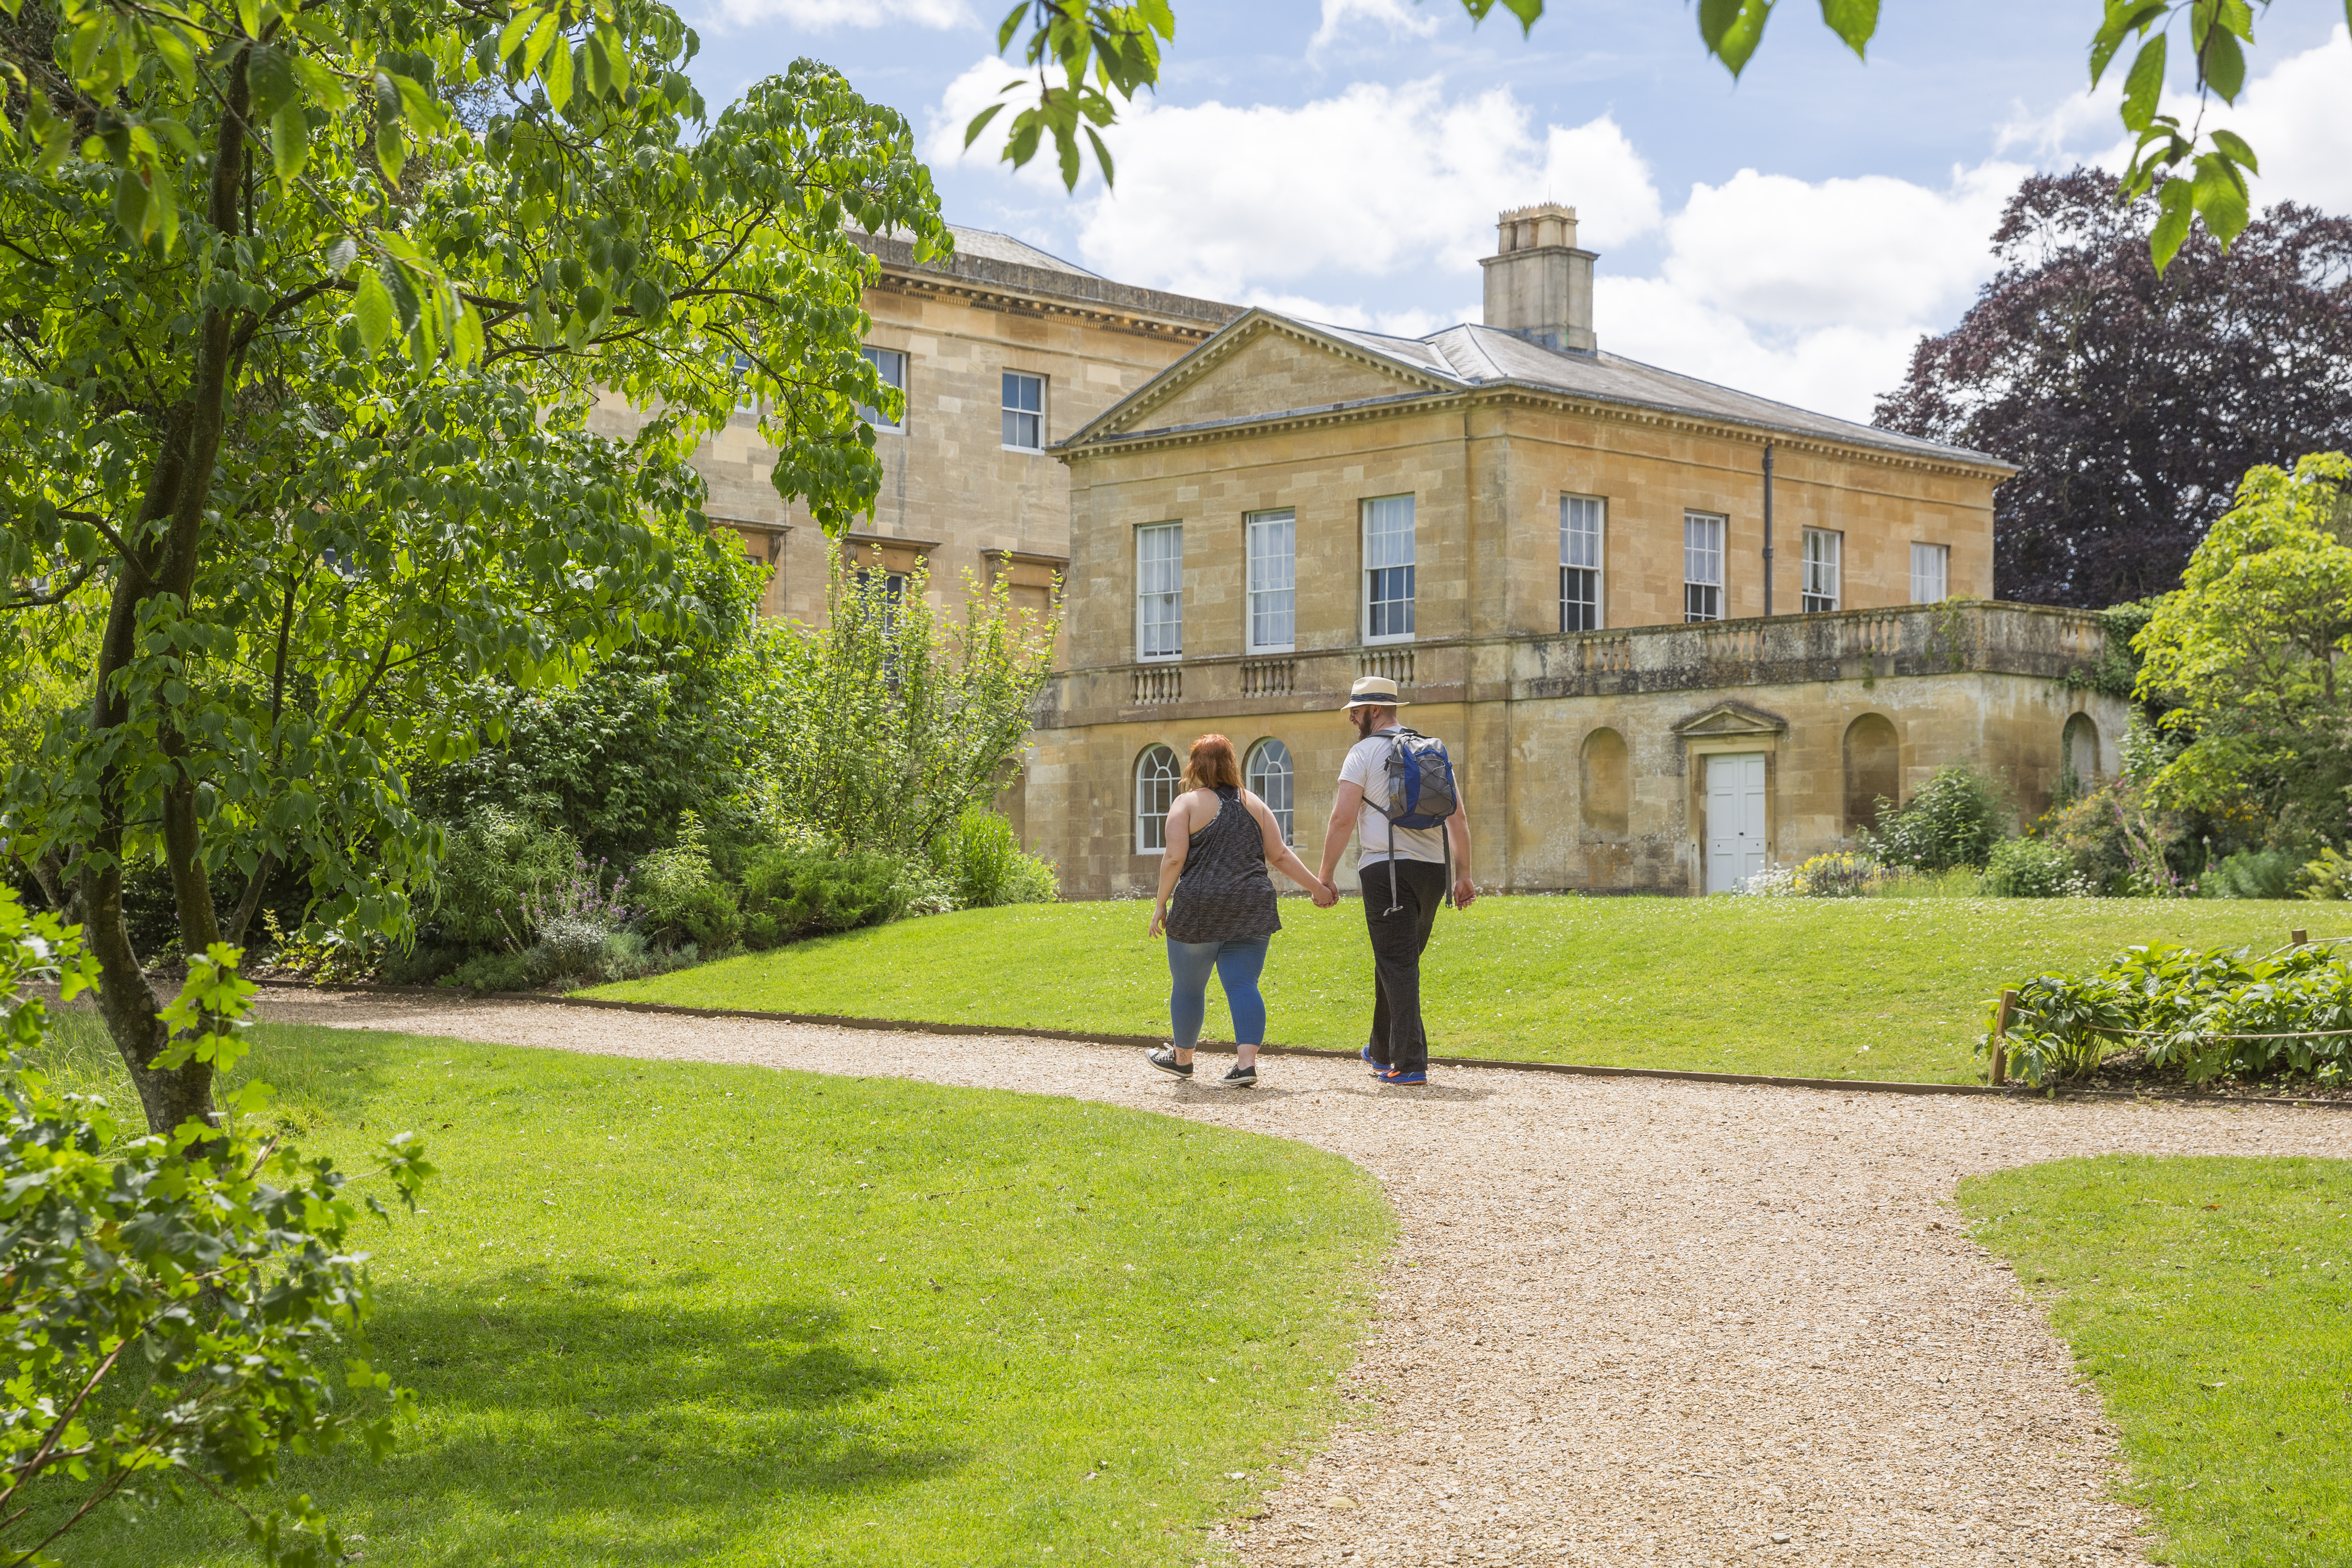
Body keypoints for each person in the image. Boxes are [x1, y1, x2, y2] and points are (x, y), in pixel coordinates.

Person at [1147, 733, 1335, 1088]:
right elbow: (1279, 855)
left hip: (1201, 906)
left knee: (1188, 987)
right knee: (1243, 982)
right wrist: (1318, 888)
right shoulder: (1255, 803)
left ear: (1194, 766)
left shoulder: (1185, 804)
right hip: (1252, 904)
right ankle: (1245, 1065)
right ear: (1232, 763)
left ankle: (1182, 1059)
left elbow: (1174, 857)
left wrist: (1160, 904)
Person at [1315, 676, 1475, 1087]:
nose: (1352, 717)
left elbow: (1341, 819)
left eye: (1356, 710)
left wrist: (1325, 875)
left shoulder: (1362, 753)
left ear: (1374, 710)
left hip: (1385, 870)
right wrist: (1463, 874)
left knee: (1397, 963)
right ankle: (1382, 1048)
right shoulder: (1430, 750)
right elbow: (1457, 817)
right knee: (1395, 959)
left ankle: (1409, 1062)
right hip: (1431, 870)